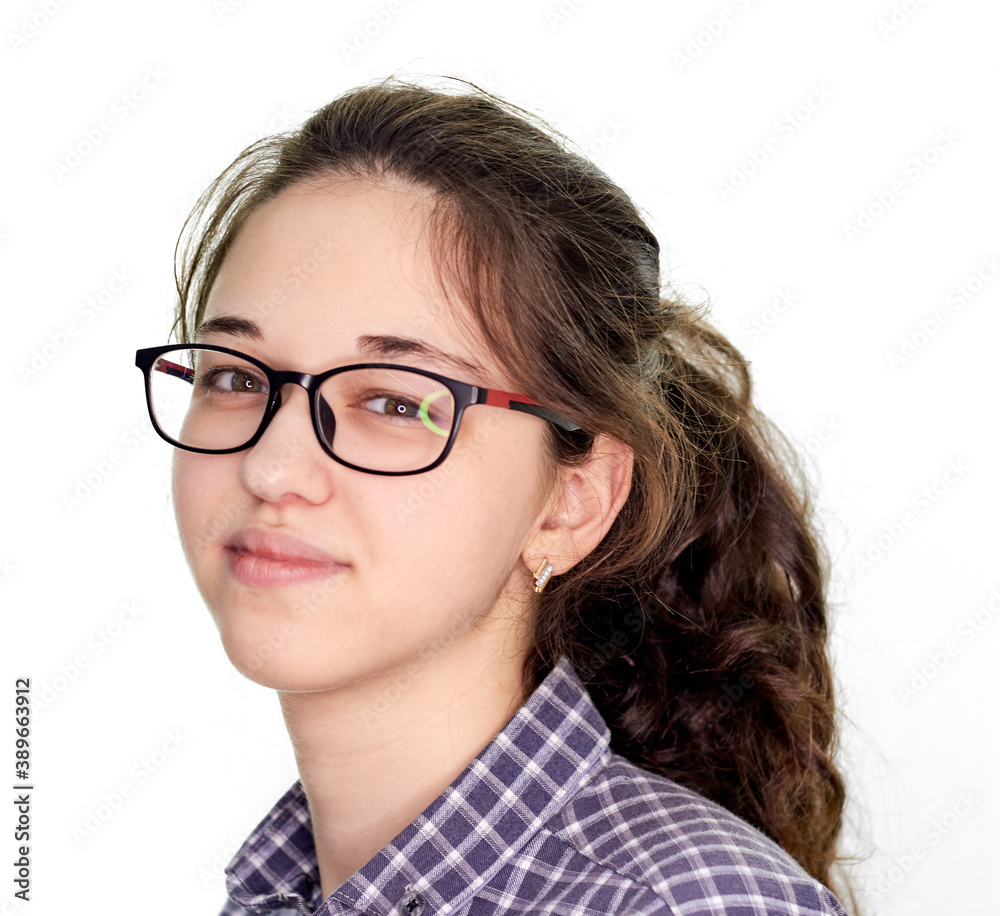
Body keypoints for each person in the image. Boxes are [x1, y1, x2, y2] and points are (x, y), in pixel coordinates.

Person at [135, 75, 853, 915]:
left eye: (395, 403)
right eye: (233, 377)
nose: (271, 468)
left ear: (571, 503)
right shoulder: (279, 892)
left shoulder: (689, 907)